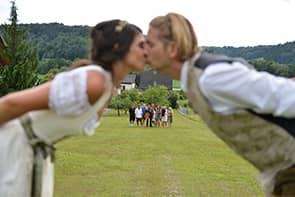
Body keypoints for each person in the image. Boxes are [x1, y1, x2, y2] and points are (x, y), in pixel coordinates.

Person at [146, 12, 295, 197]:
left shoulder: (213, 77)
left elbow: (288, 96)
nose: (145, 50)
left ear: (173, 49)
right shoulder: (192, 80)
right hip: (281, 175)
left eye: (150, 44)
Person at [0, 19, 147, 197]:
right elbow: (12, 103)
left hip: (33, 153)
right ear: (118, 47)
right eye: (141, 45)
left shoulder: (107, 88)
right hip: (13, 145)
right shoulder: (94, 82)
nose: (146, 51)